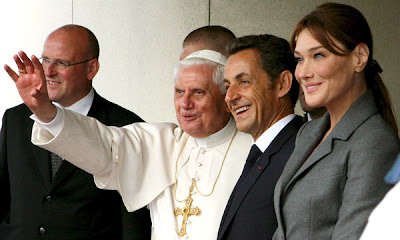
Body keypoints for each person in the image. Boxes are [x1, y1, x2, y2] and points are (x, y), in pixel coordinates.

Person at [5, 46, 252, 240]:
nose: (185, 103)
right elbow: (102, 143)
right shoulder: (163, 142)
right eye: (179, 92)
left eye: (198, 92)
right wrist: (47, 111)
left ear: (225, 96)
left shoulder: (253, 151)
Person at [0, 24, 151, 240]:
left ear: (92, 69)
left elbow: (134, 222)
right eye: (45, 60)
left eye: (61, 63)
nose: (49, 71)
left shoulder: (127, 127)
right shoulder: (15, 119)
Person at [272, 3, 400, 240]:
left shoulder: (374, 143)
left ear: (359, 58)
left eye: (318, 55)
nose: (303, 72)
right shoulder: (308, 133)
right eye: (300, 59)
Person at [217, 34, 303, 240]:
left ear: (282, 84)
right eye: (227, 86)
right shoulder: (262, 152)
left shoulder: (302, 152)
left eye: (244, 82)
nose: (230, 97)